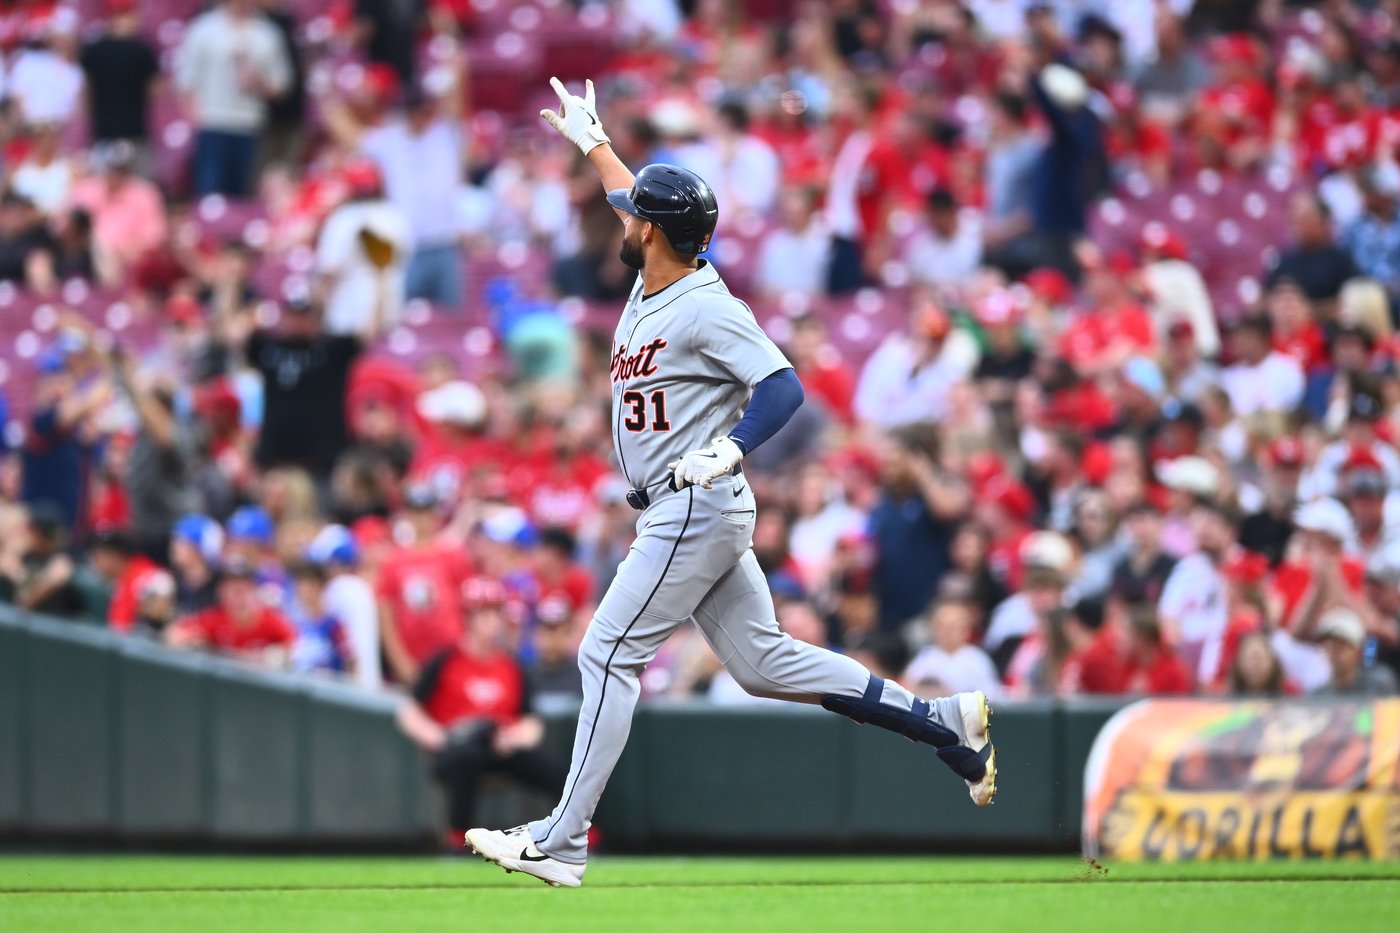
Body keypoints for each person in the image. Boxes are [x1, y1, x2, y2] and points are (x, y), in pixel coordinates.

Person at [464, 79, 999, 889]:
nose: (625, 219)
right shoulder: (657, 267)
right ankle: (943, 721)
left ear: (652, 232)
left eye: (636, 217)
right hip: (685, 507)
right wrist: (593, 142)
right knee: (762, 662)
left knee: (606, 650)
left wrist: (732, 446)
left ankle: (563, 839)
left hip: (693, 502)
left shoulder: (706, 305)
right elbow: (627, 192)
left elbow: (784, 386)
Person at [396, 580, 567, 835]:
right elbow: (409, 712)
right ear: (469, 618)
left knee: (557, 769)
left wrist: (513, 739)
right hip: (458, 748)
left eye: (496, 614)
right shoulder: (445, 661)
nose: (492, 622)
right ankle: (459, 838)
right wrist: (439, 738)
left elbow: (531, 721)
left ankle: (577, 833)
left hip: (501, 748)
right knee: (467, 759)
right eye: (485, 614)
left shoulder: (513, 666)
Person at [174, 0, 291, 197]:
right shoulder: (203, 29)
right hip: (212, 122)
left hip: (250, 123)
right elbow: (186, 82)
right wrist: (196, 121)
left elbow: (281, 85)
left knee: (243, 195)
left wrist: (259, 83)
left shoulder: (268, 33)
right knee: (210, 194)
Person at [165, 557, 296, 667]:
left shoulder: (270, 620)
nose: (238, 596)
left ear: (254, 590)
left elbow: (295, 645)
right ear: (221, 592)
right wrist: (195, 644)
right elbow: (174, 633)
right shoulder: (216, 618)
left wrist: (275, 655)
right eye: (231, 589)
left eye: (243, 588)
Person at [1310, 607, 1399, 697]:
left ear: (1359, 650)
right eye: (1328, 646)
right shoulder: (1317, 696)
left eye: (1340, 646)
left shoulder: (1380, 684)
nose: (1333, 653)